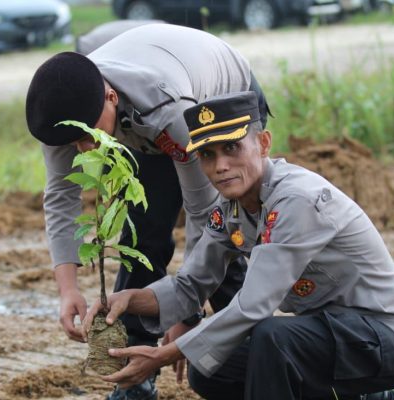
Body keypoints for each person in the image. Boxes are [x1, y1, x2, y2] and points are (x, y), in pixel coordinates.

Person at [82, 91, 394, 400]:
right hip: (337, 336)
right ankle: (356, 395)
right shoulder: (232, 208)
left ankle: (370, 389)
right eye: (207, 155)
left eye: (232, 147)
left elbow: (253, 306)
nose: (220, 166)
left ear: (264, 144)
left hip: (393, 340)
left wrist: (164, 354)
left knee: (272, 337)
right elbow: (191, 284)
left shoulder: (296, 200)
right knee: (211, 370)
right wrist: (130, 298)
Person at [25, 24, 270, 399]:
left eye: (90, 135)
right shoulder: (66, 115)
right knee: (144, 231)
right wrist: (68, 288)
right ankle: (134, 381)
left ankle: (259, 358)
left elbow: (205, 215)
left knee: (228, 230)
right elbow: (60, 197)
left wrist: (186, 315)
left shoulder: (166, 110)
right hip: (145, 116)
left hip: (218, 97)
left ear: (109, 97)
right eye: (76, 140)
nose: (86, 149)